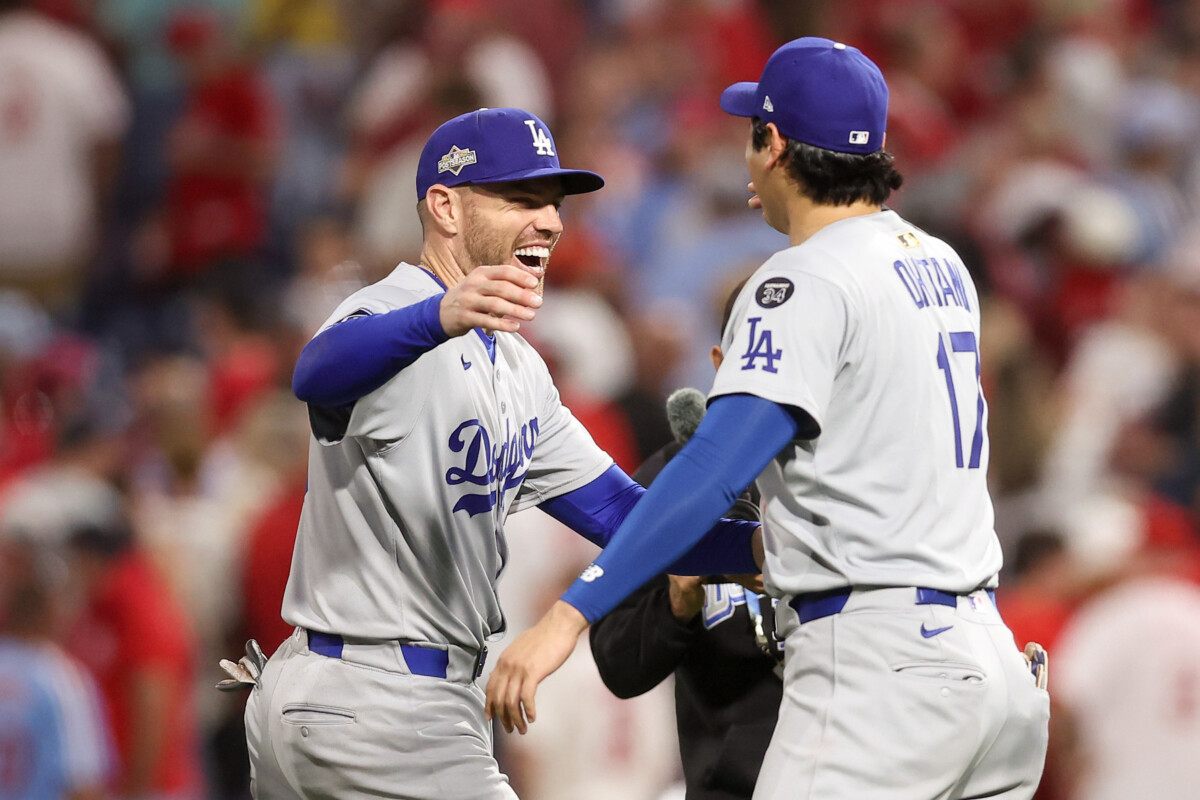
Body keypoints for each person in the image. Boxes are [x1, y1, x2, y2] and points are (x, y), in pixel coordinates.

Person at [486, 39, 1051, 800]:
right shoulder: (941, 264)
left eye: (753, 135)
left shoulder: (803, 275)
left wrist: (569, 613)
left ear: (775, 145)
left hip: (879, 673)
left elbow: (717, 467)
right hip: (990, 665)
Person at [241, 107, 760, 800]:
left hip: (340, 694)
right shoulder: (398, 309)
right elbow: (317, 373)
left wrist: (760, 548)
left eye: (552, 203)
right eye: (520, 199)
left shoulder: (518, 369)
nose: (549, 220)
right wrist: (436, 316)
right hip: (390, 705)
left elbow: (626, 519)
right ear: (446, 207)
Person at [588, 281, 783, 800]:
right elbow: (618, 663)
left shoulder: (859, 478)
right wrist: (676, 605)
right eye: (758, 352)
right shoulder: (675, 480)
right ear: (720, 361)